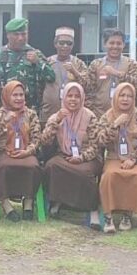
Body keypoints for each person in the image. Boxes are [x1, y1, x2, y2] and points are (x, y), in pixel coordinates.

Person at [40, 82, 101, 229]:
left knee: (85, 173)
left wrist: (82, 157)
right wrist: (57, 121)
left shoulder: (90, 117)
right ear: (64, 97)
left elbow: (96, 145)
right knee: (51, 166)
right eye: (69, 96)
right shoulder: (56, 116)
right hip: (64, 155)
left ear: (82, 98)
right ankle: (58, 201)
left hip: (87, 157)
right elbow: (44, 141)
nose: (73, 99)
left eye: (77, 96)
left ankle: (92, 210)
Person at [97, 82, 137, 233]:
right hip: (114, 157)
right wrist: (115, 124)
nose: (125, 99)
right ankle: (108, 216)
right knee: (110, 175)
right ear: (116, 97)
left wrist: (133, 159)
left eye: (129, 96)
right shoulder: (107, 115)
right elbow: (100, 140)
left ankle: (127, 214)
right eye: (122, 95)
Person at [0, 80, 42, 222]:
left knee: (33, 166)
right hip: (3, 152)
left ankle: (28, 202)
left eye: (21, 95)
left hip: (25, 152)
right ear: (6, 96)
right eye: (14, 95)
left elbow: (36, 139)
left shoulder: (31, 114)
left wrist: (27, 151)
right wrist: (5, 121)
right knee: (3, 167)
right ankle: (6, 205)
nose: (18, 98)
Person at [0, 18, 55, 112]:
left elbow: (51, 77)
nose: (20, 38)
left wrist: (38, 62)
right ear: (8, 35)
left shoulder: (35, 54)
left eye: (23, 34)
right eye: (16, 34)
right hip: (6, 111)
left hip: (31, 111)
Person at [84, 29, 137, 118]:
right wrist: (91, 112)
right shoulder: (96, 64)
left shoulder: (130, 64)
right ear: (105, 44)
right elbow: (88, 90)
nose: (115, 46)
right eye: (111, 43)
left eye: (119, 43)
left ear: (123, 45)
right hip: (99, 115)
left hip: (124, 116)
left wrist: (117, 74)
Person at [41, 27, 88, 125]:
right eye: (61, 43)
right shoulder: (47, 62)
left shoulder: (78, 63)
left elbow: (87, 85)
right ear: (55, 44)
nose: (65, 46)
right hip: (49, 113)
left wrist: (75, 72)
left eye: (69, 43)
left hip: (72, 115)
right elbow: (39, 86)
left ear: (73, 45)